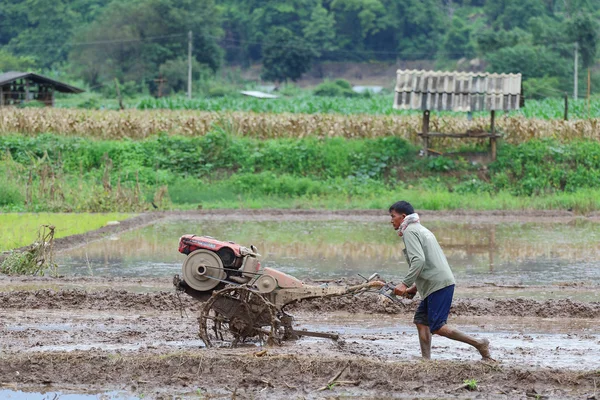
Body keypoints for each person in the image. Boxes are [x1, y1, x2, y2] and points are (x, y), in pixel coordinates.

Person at [388, 200, 492, 360]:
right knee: (421, 321)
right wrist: (415, 288)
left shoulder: (409, 231)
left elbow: (418, 261)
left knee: (437, 326)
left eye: (392, 216)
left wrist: (405, 283)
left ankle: (479, 343)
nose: (391, 220)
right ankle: (426, 360)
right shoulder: (421, 229)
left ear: (403, 217)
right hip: (436, 283)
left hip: (438, 285)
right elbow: (430, 262)